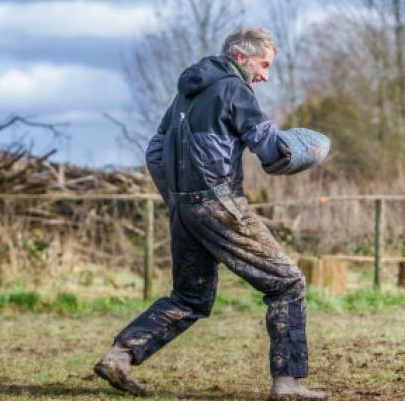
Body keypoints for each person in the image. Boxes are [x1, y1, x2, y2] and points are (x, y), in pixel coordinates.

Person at [94, 27, 327, 400]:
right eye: (264, 65)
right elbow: (270, 150)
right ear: (241, 57)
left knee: (190, 298)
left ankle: (118, 356)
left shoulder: (186, 94)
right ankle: (288, 382)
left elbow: (155, 152)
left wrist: (178, 200)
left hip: (184, 208)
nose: (265, 75)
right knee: (288, 284)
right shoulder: (235, 90)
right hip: (220, 204)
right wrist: (304, 152)